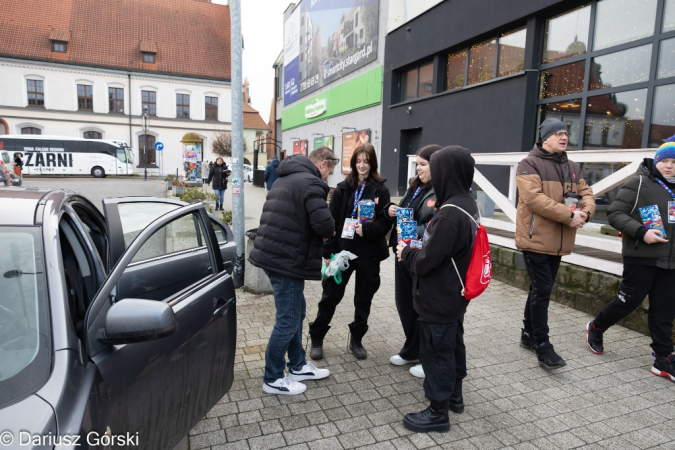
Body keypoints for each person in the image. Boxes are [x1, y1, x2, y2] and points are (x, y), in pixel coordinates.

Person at [395, 145, 478, 433]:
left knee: (437, 351)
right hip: (454, 292)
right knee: (453, 343)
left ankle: (437, 411)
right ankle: (455, 395)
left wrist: (406, 254)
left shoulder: (449, 213)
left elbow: (428, 260)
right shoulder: (467, 202)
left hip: (439, 294)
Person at [249, 146, 338, 395]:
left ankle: (298, 365)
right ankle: (273, 377)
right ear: (323, 163)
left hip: (277, 256)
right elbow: (323, 224)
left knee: (296, 312)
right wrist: (331, 230)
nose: (328, 178)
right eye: (329, 172)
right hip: (285, 260)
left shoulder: (285, 177)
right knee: (288, 319)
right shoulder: (311, 183)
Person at [586, 141, 675, 381]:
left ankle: (663, 358)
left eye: (674, 162)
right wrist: (641, 232)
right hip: (641, 255)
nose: (669, 166)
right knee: (628, 301)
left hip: (671, 261)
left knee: (665, 309)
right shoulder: (639, 183)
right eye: (664, 161)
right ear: (656, 161)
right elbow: (615, 213)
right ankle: (596, 326)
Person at [515, 118, 596, 370]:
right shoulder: (528, 164)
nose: (564, 137)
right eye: (558, 133)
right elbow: (533, 199)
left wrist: (586, 213)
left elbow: (587, 194)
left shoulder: (571, 166)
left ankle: (527, 334)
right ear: (545, 137)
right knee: (543, 291)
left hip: (560, 240)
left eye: (565, 133)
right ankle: (542, 345)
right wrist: (569, 215)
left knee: (540, 288)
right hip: (535, 238)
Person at [308, 143, 391, 360]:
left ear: (372, 163)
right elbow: (330, 223)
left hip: (369, 253)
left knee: (364, 299)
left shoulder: (381, 189)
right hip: (342, 252)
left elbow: (385, 223)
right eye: (358, 161)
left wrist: (368, 229)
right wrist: (327, 253)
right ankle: (316, 337)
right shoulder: (343, 188)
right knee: (330, 296)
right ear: (353, 162)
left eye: (366, 161)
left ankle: (356, 340)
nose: (362, 166)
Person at [384, 144, 442, 378]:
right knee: (404, 303)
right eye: (417, 163)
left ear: (436, 165)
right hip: (403, 251)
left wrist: (412, 231)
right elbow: (408, 212)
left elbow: (433, 224)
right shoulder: (415, 186)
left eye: (423, 164)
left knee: (422, 307)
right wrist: (393, 210)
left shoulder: (440, 190)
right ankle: (412, 348)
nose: (418, 168)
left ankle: (427, 355)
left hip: (420, 254)